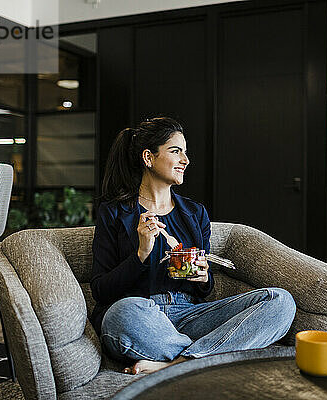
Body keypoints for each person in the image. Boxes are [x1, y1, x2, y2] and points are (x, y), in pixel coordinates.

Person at [91, 117, 296, 375]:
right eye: (176, 151)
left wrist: (202, 277)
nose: (185, 160)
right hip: (142, 319)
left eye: (185, 152)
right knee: (122, 312)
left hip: (189, 315)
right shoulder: (115, 213)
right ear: (148, 157)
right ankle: (218, 352)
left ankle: (178, 365)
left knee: (280, 300)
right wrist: (141, 253)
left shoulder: (194, 213)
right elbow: (101, 291)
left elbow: (204, 291)